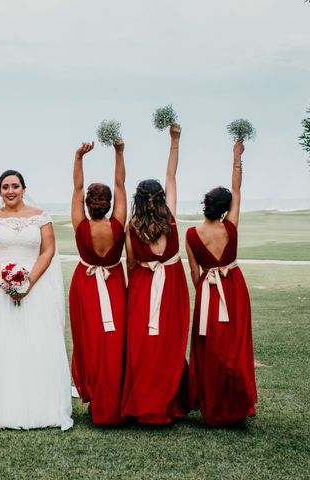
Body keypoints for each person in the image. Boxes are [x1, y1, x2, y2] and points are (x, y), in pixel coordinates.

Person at [0, 170, 73, 430]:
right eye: (4, 187)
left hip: (36, 286)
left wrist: (28, 282)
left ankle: (40, 404)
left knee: (34, 341)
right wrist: (4, 281)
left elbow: (48, 250)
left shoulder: (41, 216)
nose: (10, 191)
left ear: (24, 188)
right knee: (0, 342)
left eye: (15, 186)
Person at [120, 124, 190, 424]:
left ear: (137, 200)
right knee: (169, 343)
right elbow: (172, 175)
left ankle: (142, 401)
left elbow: (131, 263)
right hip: (172, 285)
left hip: (142, 286)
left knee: (142, 343)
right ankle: (167, 403)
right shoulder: (171, 217)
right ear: (161, 198)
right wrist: (174, 141)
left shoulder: (131, 227)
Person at [186, 140, 257, 425]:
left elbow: (193, 272)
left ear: (205, 206)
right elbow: (237, 191)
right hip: (233, 287)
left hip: (208, 291)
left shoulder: (191, 234)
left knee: (209, 347)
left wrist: (203, 292)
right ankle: (235, 404)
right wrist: (236, 157)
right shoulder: (231, 226)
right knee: (235, 346)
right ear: (225, 210)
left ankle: (212, 405)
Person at [69, 139, 127, 425]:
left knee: (90, 342)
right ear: (109, 204)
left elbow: (77, 189)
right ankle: (114, 399)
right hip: (114, 284)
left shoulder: (81, 224)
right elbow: (121, 185)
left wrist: (79, 157)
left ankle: (95, 398)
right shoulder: (118, 224)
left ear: (89, 203)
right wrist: (119, 152)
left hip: (86, 285)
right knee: (115, 342)